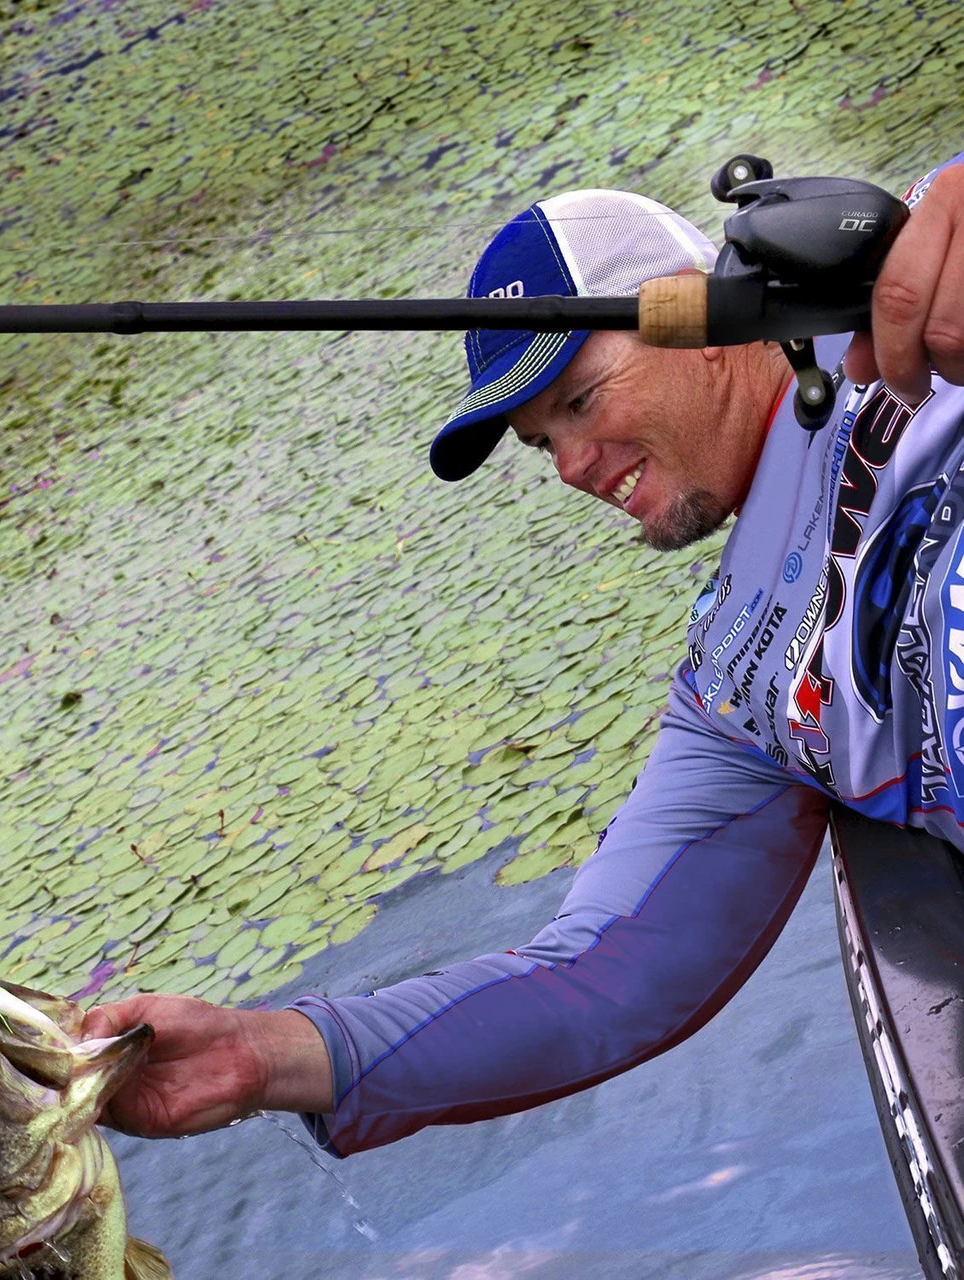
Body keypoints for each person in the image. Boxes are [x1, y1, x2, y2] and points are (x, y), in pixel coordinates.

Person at [84, 153, 964, 1155]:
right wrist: (261, 1054)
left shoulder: (904, 303)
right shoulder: (732, 693)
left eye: (578, 401)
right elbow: (595, 981)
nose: (573, 468)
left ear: (707, 324)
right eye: (540, 443)